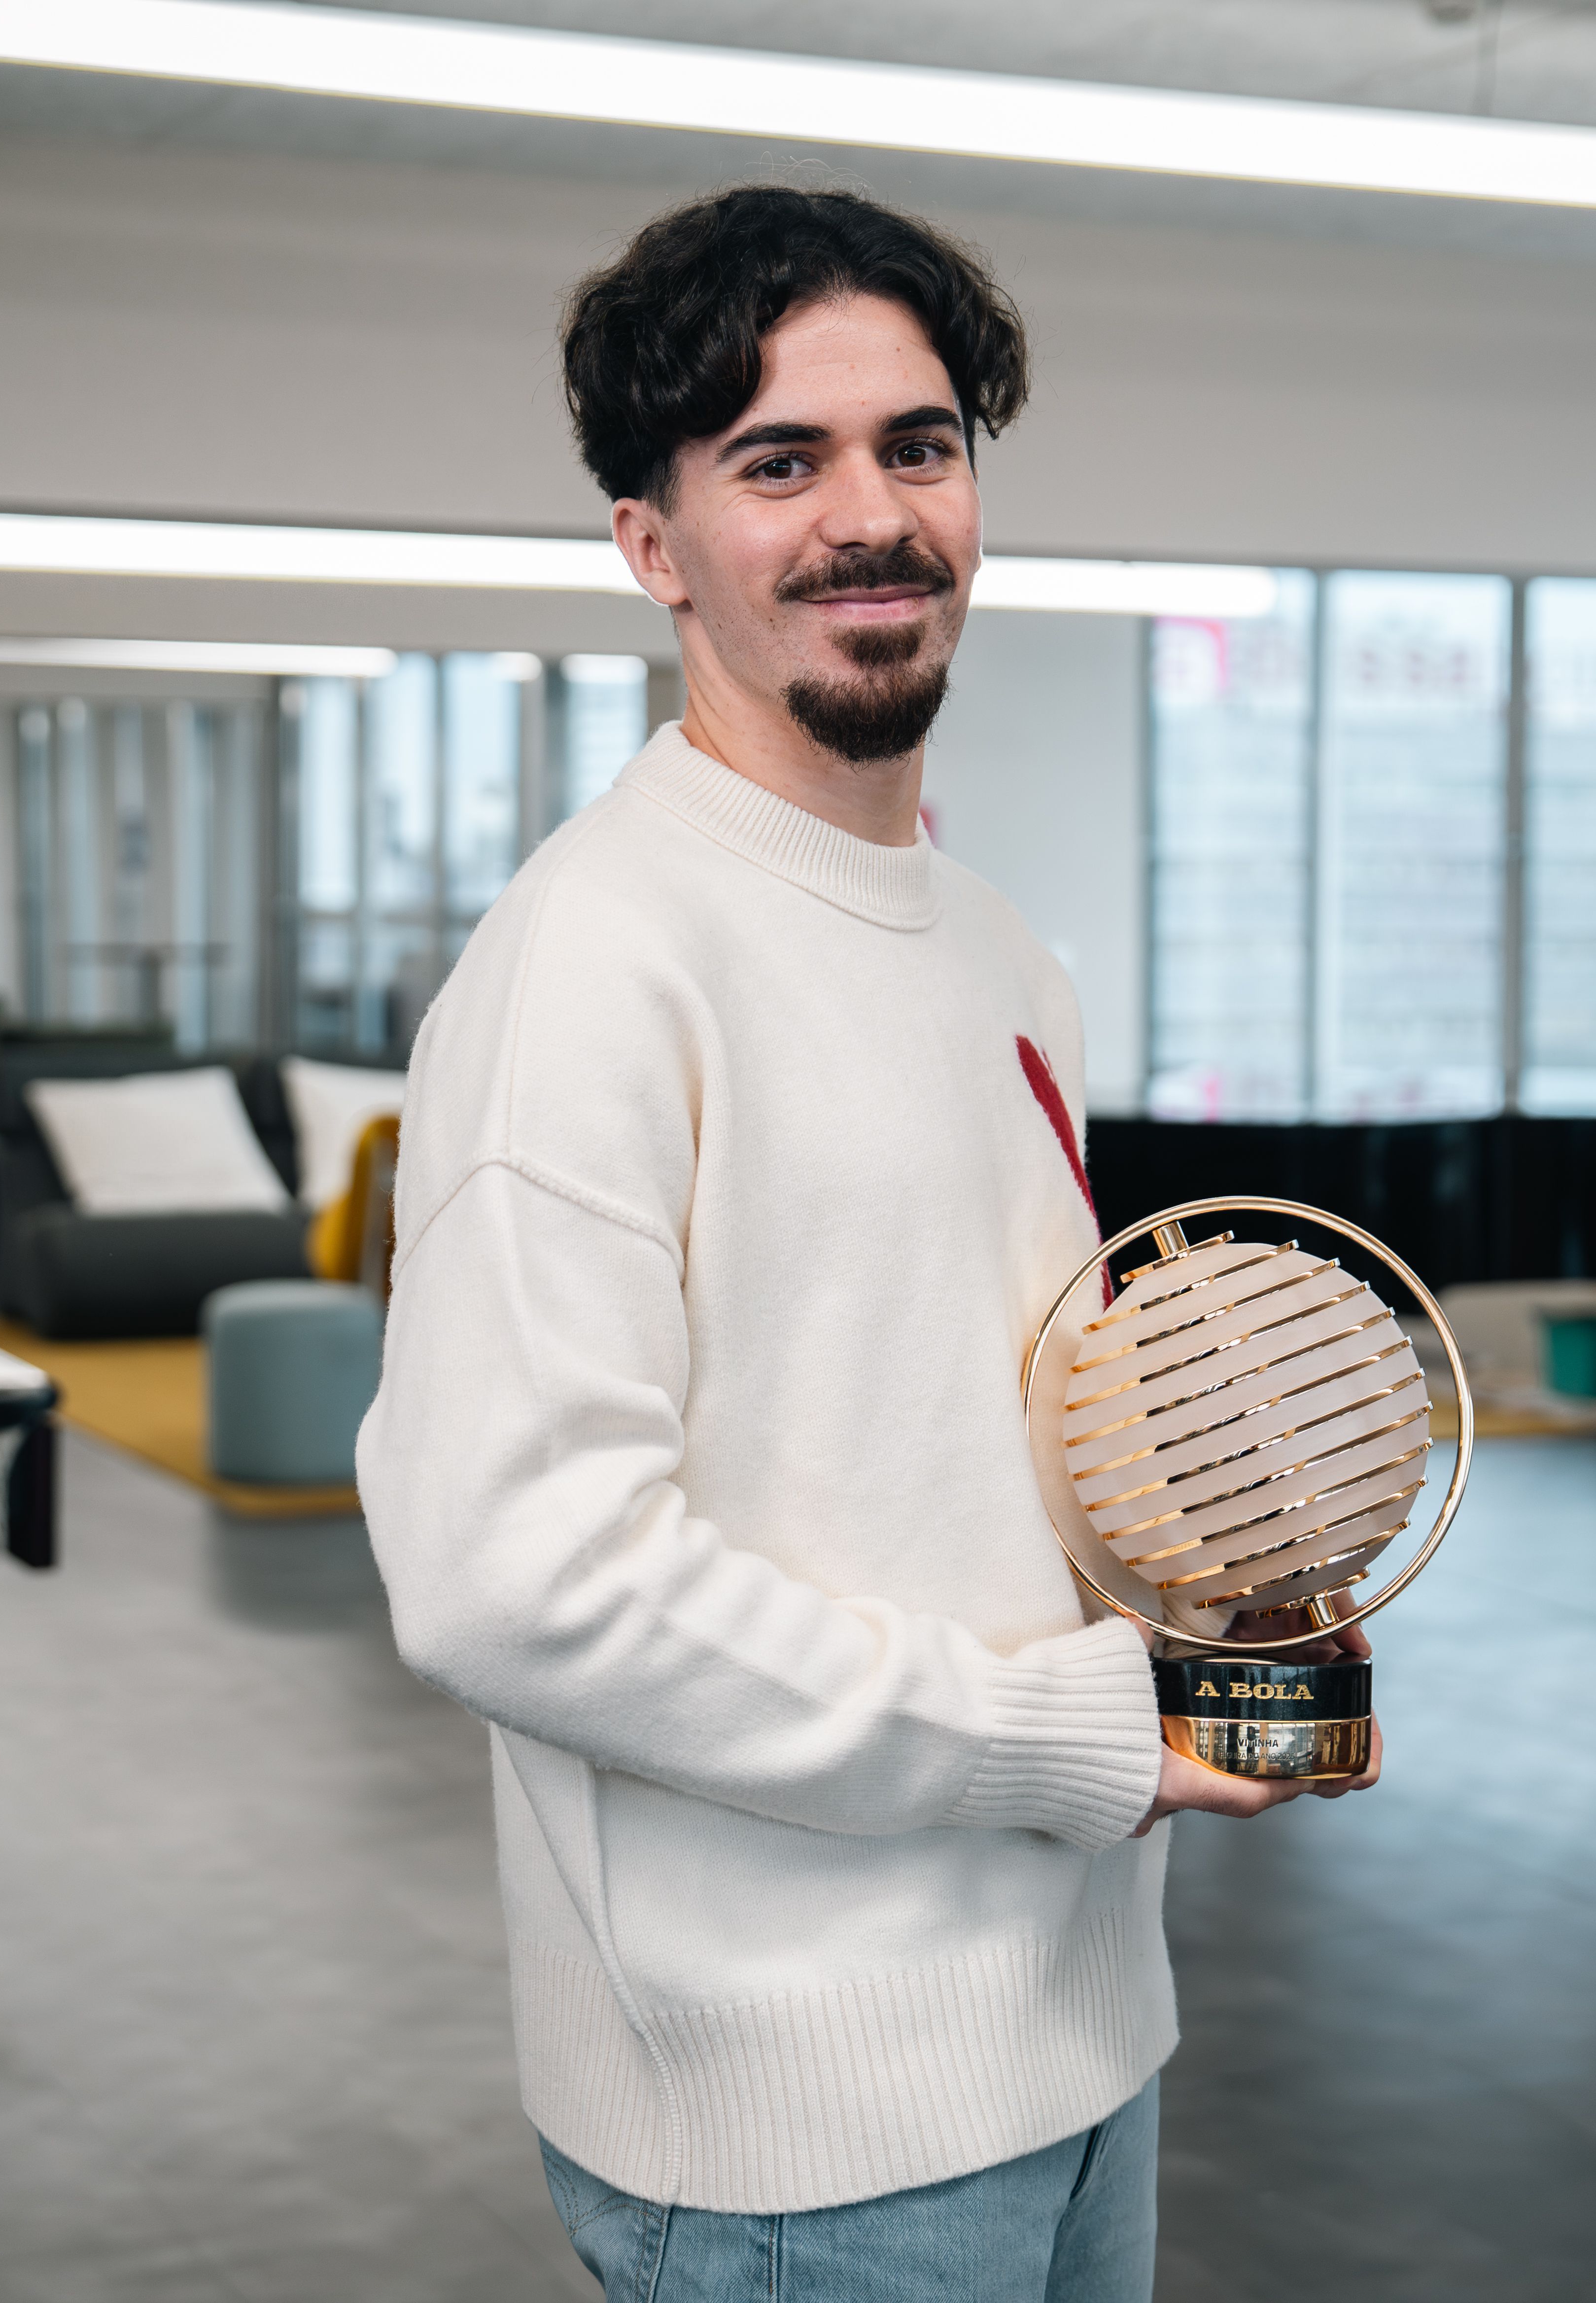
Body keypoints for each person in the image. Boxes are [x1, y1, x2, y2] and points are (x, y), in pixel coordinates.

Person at [355, 184, 1375, 2303]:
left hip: (1084, 2037)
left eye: (919, 445)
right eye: (778, 462)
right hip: (799, 2135)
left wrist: (1231, 1584)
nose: (872, 517)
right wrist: (1068, 1737)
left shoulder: (1000, 952)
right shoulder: (594, 964)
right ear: (655, 545)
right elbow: (514, 1576)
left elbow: (982, 1440)